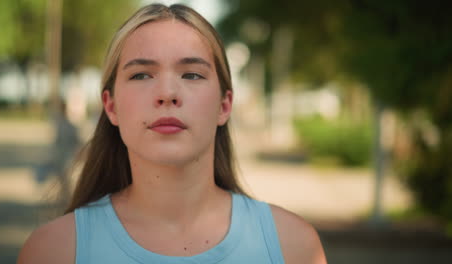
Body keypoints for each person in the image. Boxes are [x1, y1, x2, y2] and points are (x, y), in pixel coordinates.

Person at [17, 3, 326, 264]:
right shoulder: (53, 250)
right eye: (141, 75)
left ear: (224, 104)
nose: (167, 93)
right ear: (111, 107)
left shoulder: (294, 247)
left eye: (192, 74)